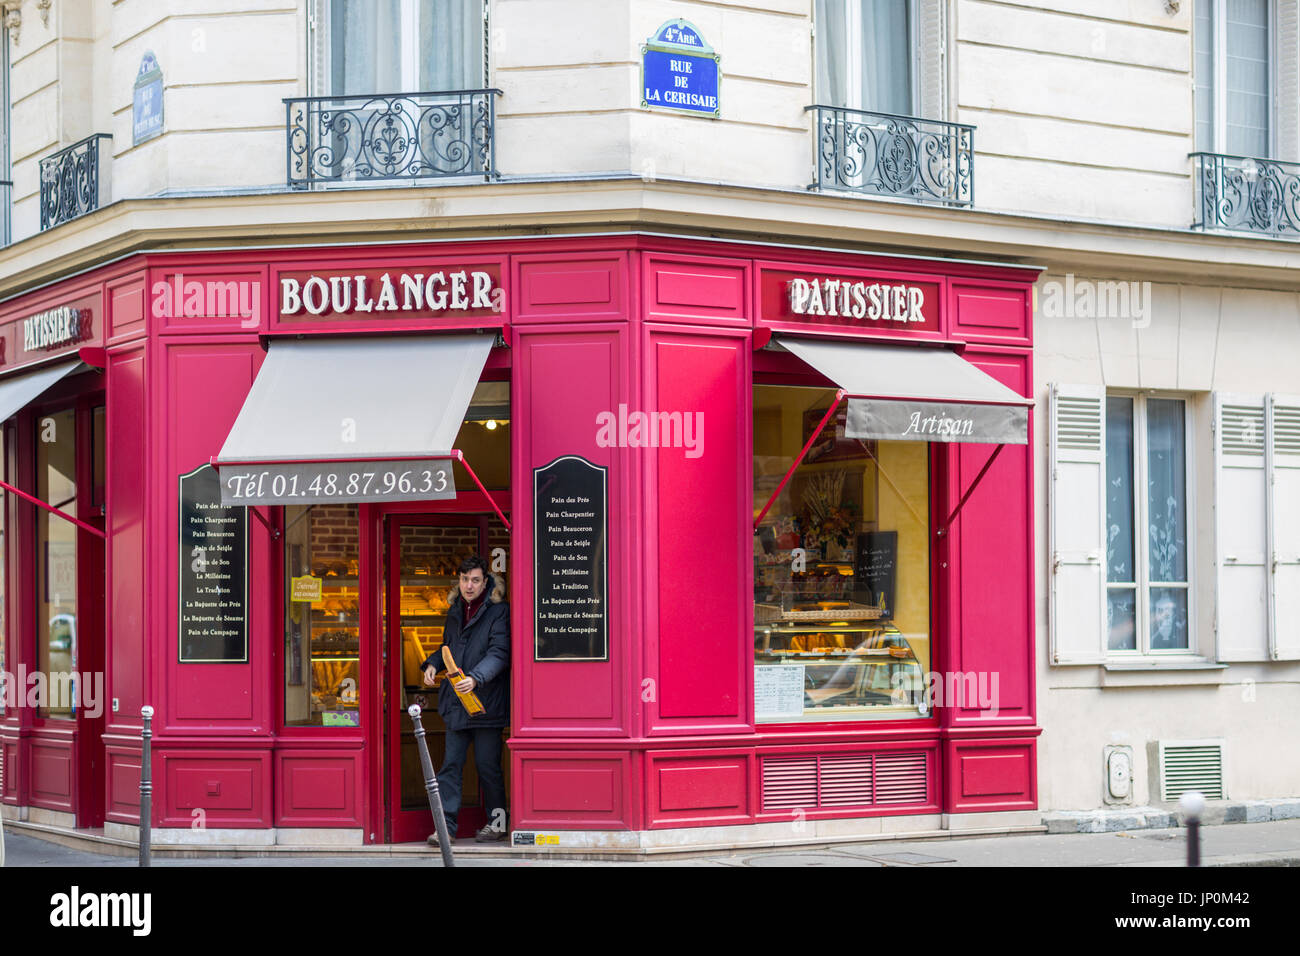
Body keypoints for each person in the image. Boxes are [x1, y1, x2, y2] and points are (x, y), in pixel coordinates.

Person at [420, 555, 510, 845]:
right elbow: (448, 646)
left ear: (485, 582)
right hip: (457, 703)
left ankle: (497, 823)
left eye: (474, 580)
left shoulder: (499, 612)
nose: (468, 585)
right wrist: (433, 663)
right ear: (458, 582)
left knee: (488, 767)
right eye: (464, 579)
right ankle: (445, 827)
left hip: (486, 704)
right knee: (451, 766)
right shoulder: (455, 610)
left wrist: (476, 678)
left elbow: (500, 653)